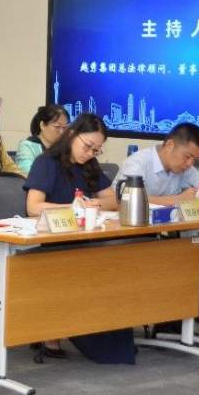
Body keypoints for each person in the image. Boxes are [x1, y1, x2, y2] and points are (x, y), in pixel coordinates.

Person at [24, 113, 122, 362]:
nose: (90, 153)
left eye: (96, 150)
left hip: (83, 237)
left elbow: (112, 201)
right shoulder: (47, 162)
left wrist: (94, 204)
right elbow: (33, 207)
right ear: (70, 135)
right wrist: (73, 208)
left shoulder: (89, 165)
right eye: (87, 146)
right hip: (51, 238)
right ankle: (54, 332)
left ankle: (102, 329)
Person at [113, 122, 199, 335]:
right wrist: (177, 199)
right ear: (169, 145)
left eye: (194, 160)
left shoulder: (185, 167)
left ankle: (177, 323)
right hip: (130, 234)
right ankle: (166, 322)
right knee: (178, 256)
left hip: (163, 234)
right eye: (187, 157)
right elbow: (126, 199)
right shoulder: (138, 163)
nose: (189, 164)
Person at [15, 105, 69, 174]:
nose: (61, 132)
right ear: (42, 125)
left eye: (65, 127)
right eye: (57, 126)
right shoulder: (27, 147)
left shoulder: (65, 148)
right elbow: (28, 173)